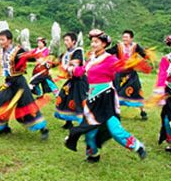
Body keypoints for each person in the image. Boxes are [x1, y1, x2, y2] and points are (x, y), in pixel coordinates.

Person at [64, 29, 147, 163]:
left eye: (96, 42)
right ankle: (93, 154)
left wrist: (135, 64)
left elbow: (122, 68)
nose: (93, 44)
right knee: (90, 129)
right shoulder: (92, 58)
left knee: (115, 129)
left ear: (104, 44)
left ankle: (137, 146)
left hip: (106, 98)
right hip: (92, 98)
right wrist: (71, 69)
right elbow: (81, 71)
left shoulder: (110, 59)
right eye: (92, 42)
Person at [0, 29, 49, 139]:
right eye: (0, 40)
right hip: (9, 83)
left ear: (9, 40)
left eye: (3, 40)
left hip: (20, 83)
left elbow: (28, 57)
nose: (1, 42)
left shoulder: (18, 51)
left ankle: (43, 129)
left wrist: (38, 58)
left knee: (27, 104)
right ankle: (3, 128)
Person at [107, 30, 149, 120]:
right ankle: (116, 112)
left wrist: (147, 55)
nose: (124, 39)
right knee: (116, 91)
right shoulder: (119, 47)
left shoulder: (135, 46)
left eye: (126, 37)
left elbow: (144, 55)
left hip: (131, 74)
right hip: (120, 74)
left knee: (137, 90)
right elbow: (109, 52)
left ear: (131, 39)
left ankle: (142, 111)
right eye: (123, 37)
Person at [54, 32, 88, 129]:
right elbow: (57, 61)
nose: (65, 42)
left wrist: (65, 66)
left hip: (80, 81)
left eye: (67, 40)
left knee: (80, 101)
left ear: (73, 41)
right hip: (71, 81)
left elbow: (74, 65)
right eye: (64, 40)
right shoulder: (65, 53)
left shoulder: (78, 51)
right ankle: (68, 122)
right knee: (65, 97)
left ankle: (85, 122)